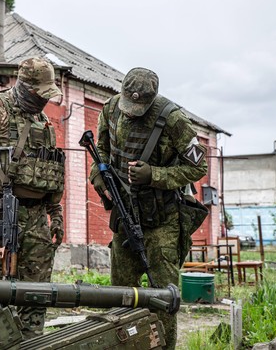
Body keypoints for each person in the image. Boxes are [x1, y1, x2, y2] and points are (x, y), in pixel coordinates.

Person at [88, 67, 207, 349]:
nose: (131, 112)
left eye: (138, 108)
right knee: (120, 292)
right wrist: (97, 175)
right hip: (124, 212)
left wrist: (154, 175)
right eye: (129, 105)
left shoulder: (174, 120)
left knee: (163, 296)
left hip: (162, 220)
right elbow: (101, 150)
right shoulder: (111, 109)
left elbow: (198, 166)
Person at [0, 56, 65, 339]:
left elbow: (51, 170)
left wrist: (56, 215)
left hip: (35, 218)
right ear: (26, 87)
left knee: (37, 290)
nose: (44, 102)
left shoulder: (41, 121)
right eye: (40, 95)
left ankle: (30, 342)